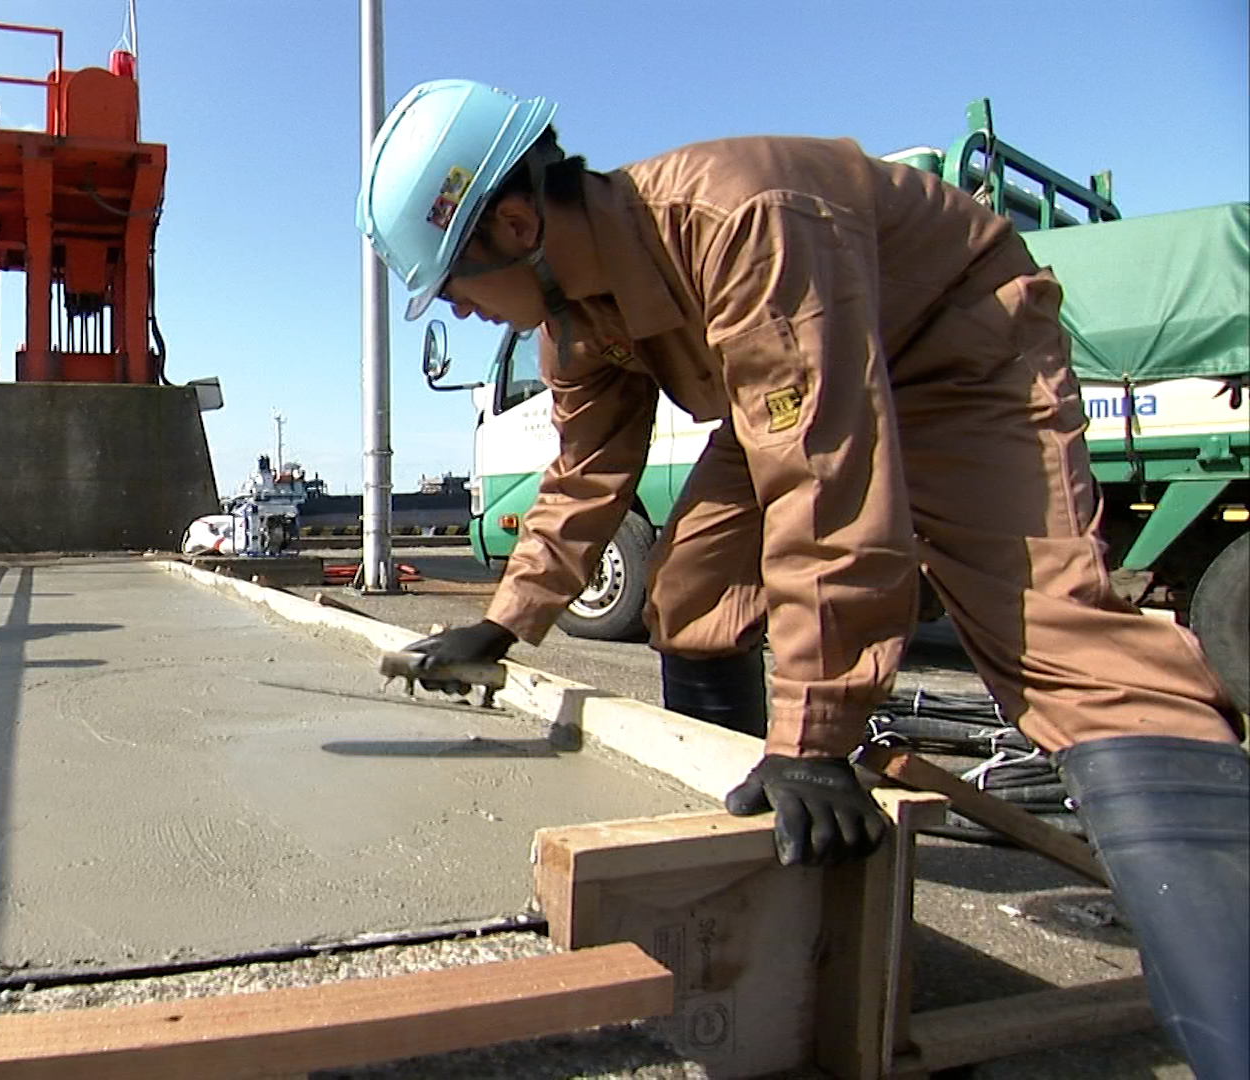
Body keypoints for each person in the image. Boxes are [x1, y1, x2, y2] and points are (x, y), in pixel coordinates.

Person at [358, 79, 1247, 1077]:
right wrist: (506, 620)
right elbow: (587, 471)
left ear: (516, 223)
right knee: (693, 580)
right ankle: (747, 854)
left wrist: (817, 734)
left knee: (1059, 647)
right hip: (800, 387)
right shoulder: (573, 317)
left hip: (953, 349)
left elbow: (824, 474)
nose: (466, 313)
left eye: (457, 286)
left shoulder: (739, 219)